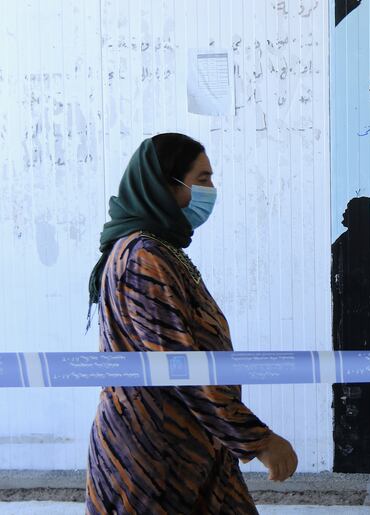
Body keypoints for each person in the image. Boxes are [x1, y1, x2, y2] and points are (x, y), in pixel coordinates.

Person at [84, 133, 297, 514]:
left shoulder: (160, 249)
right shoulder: (142, 258)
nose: (211, 191)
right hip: (152, 460)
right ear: (164, 184)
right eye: (201, 180)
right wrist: (258, 440)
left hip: (193, 443)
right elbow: (181, 367)